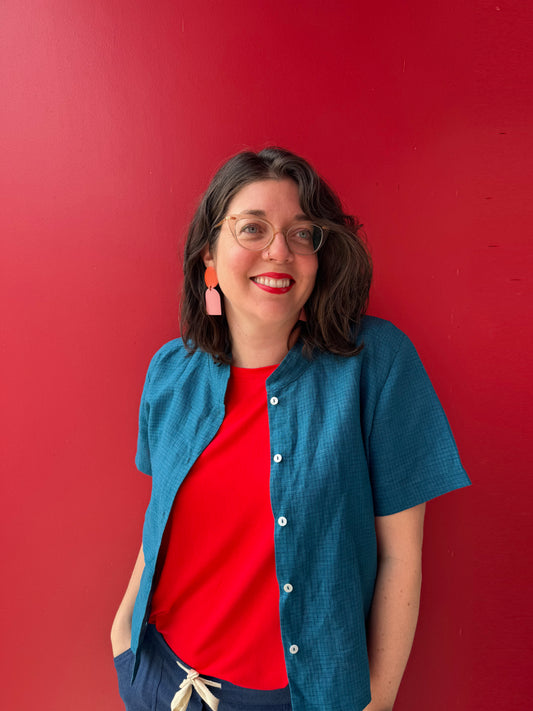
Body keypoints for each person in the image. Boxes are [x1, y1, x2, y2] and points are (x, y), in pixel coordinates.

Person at [111, 147, 470, 711]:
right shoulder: (170, 371)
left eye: (302, 234)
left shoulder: (377, 365)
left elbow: (401, 558)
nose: (279, 251)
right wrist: (123, 633)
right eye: (253, 228)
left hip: (302, 699)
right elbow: (160, 515)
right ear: (209, 255)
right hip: (161, 680)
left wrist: (377, 703)